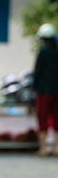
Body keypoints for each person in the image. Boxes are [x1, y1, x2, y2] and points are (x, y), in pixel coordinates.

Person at [33, 23, 58, 156]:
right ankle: (54, 148)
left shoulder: (42, 53)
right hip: (57, 92)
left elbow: (37, 73)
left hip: (44, 92)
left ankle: (43, 148)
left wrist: (34, 88)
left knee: (42, 119)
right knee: (56, 119)